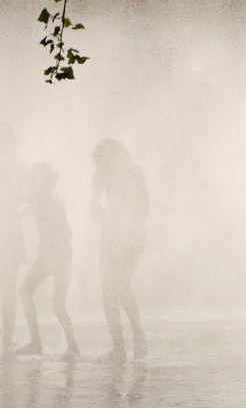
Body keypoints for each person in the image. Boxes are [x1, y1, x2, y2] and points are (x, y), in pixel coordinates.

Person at [92, 139, 149, 362]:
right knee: (113, 288)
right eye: (100, 158)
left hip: (129, 234)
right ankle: (127, 344)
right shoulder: (103, 174)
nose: (103, 161)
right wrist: (102, 212)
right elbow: (94, 203)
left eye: (106, 156)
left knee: (116, 287)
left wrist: (116, 216)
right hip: (116, 234)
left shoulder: (133, 172)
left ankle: (131, 341)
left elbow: (145, 206)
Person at [16, 163, 79, 358]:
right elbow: (69, 231)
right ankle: (72, 346)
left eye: (34, 178)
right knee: (57, 305)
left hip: (53, 255)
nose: (31, 182)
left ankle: (37, 343)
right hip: (62, 254)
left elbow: (23, 208)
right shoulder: (52, 198)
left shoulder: (43, 198)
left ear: (40, 180)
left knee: (26, 292)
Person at [0, 123, 26, 357]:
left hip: (9, 233)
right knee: (7, 287)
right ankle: (6, 340)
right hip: (10, 232)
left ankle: (7, 339)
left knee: (7, 287)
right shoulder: (19, 167)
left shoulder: (17, 168)